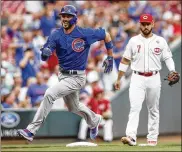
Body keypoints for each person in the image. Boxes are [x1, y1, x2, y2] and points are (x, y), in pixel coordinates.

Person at [17, 5, 114, 142]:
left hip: (78, 76)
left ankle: (31, 130)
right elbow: (46, 52)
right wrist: (45, 53)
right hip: (63, 75)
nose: (65, 18)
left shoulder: (84, 33)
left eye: (68, 16)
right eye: (63, 16)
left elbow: (106, 35)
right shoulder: (56, 34)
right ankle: (94, 120)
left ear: (75, 18)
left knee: (50, 94)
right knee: (73, 107)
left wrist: (110, 56)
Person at [114, 14, 180, 146]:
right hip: (137, 77)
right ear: (140, 25)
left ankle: (152, 139)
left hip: (154, 77)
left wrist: (172, 70)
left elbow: (168, 57)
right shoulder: (133, 41)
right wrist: (119, 78)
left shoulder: (160, 41)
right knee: (135, 107)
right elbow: (125, 60)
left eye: (148, 24)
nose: (145, 26)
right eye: (143, 24)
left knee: (153, 109)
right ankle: (131, 137)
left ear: (153, 24)